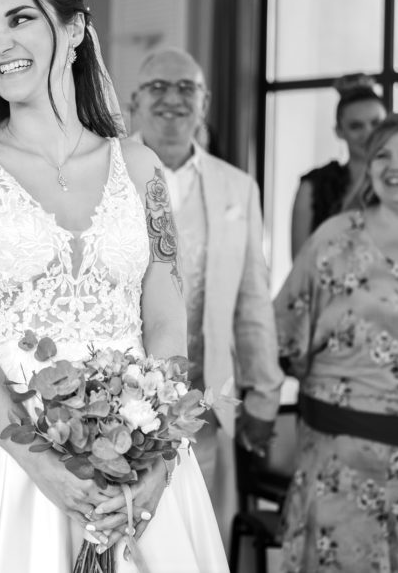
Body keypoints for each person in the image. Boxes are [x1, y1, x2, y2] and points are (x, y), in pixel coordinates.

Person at [0, 0, 227, 572]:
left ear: (76, 28)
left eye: (20, 19)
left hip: (137, 449)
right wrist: (43, 466)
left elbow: (168, 323)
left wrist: (160, 459)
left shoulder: (141, 168)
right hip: (2, 452)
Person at [274, 113, 398, 573]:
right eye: (382, 155)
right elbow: (283, 333)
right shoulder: (335, 239)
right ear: (369, 167)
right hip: (336, 468)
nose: (396, 166)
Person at [128, 47, 285, 544]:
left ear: (205, 102)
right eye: (157, 87)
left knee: (198, 538)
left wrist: (264, 393)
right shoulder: (106, 173)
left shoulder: (238, 187)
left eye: (186, 88)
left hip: (205, 407)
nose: (172, 99)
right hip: (119, 402)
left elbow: (253, 300)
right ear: (134, 102)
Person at [290, 76, 387, 257]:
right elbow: (300, 262)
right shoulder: (314, 186)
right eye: (356, 126)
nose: (368, 133)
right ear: (339, 131)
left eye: (376, 123)